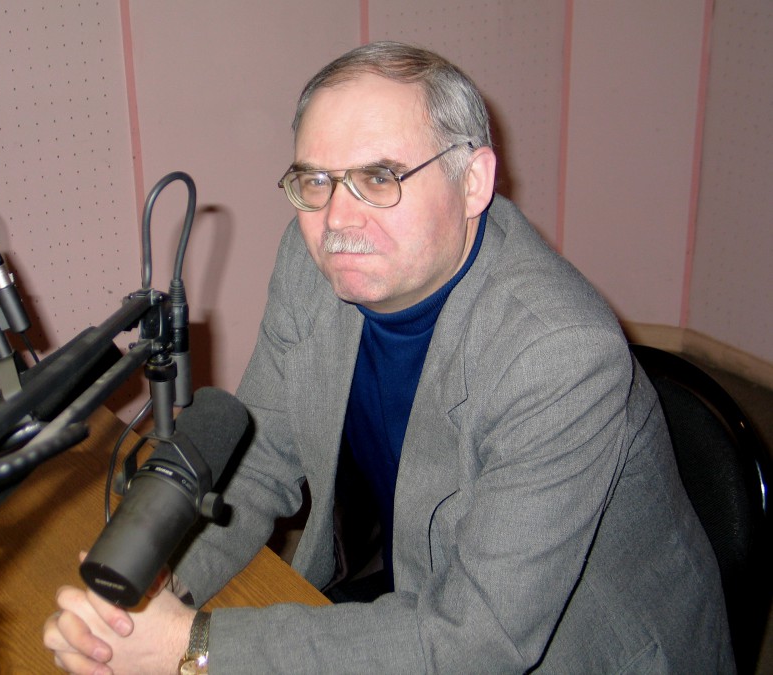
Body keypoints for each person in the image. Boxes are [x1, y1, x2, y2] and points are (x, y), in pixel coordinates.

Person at [44, 41, 734, 673]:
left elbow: (478, 641)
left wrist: (194, 646)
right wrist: (155, 594)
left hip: (570, 649)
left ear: (473, 182)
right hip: (404, 588)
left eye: (379, 176)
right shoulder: (309, 264)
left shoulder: (559, 353)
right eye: (315, 180)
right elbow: (258, 462)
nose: (337, 220)